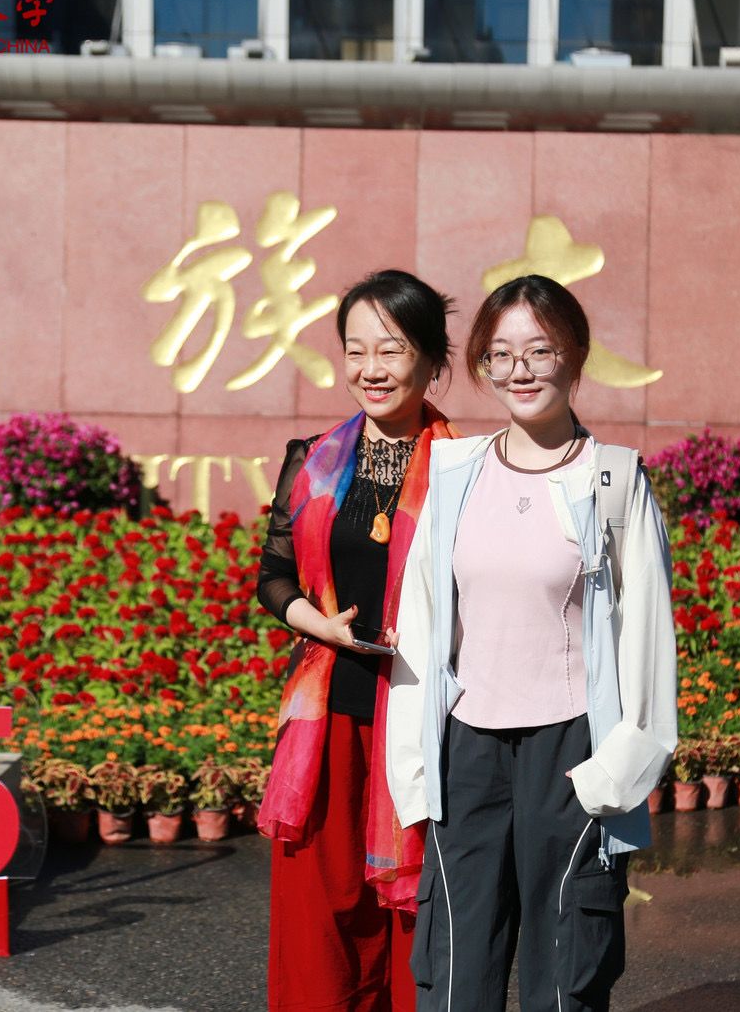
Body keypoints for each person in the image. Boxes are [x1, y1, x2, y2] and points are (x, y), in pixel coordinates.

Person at [386, 275, 677, 1012]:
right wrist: (415, 767)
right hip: (467, 754)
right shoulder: (456, 472)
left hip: (570, 749)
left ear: (574, 355)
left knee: (566, 975)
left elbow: (648, 637)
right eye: (500, 353)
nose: (519, 370)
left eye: (539, 351)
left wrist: (611, 776)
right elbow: (423, 623)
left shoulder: (612, 481)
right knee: (454, 975)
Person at [256, 269, 460, 1012]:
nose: (370, 368)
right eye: (355, 350)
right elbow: (274, 578)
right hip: (330, 720)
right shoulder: (313, 459)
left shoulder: (467, 469)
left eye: (391, 349)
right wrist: (321, 625)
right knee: (320, 915)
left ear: (432, 359)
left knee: (416, 911)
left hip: (426, 717)